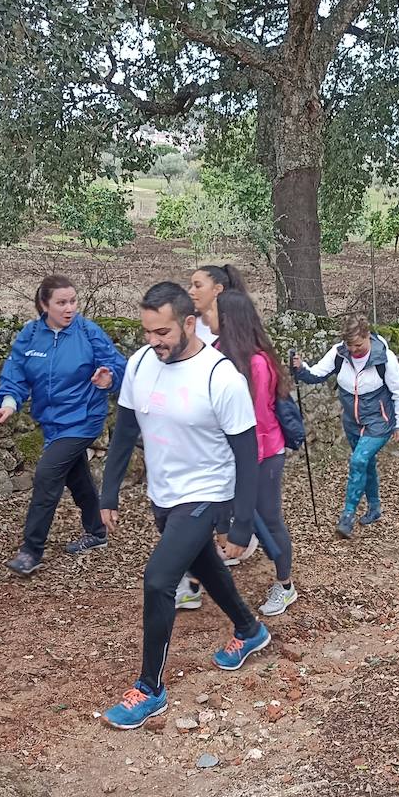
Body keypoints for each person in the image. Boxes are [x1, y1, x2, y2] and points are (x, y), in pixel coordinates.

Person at [96, 282, 270, 730]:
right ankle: (250, 630)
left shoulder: (220, 377)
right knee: (206, 566)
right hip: (164, 494)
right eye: (147, 332)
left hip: (207, 493)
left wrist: (242, 523)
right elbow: (124, 431)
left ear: (189, 323)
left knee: (159, 581)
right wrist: (109, 491)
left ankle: (150, 688)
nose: (154, 342)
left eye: (163, 333)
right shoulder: (140, 364)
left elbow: (248, 456)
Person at [0, 275, 127, 576]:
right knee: (77, 477)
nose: (69, 308)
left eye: (73, 301)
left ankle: (31, 551)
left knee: (48, 474)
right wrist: (9, 405)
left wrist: (109, 378)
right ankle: (96, 532)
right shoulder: (30, 335)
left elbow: (118, 365)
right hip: (51, 423)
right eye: (61, 302)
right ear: (44, 304)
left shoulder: (89, 333)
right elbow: (15, 374)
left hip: (83, 419)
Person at [212, 290, 299, 617]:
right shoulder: (218, 352)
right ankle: (239, 542)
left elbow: (254, 420)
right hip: (234, 454)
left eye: (212, 313)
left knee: (270, 518)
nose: (205, 319)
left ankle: (285, 585)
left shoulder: (258, 364)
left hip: (263, 454)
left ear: (227, 320)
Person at [293, 315, 399, 539]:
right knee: (366, 463)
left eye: (358, 345)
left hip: (379, 421)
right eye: (350, 345)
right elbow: (317, 374)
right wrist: (300, 368)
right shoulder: (339, 353)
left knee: (358, 460)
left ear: (367, 336)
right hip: (352, 421)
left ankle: (347, 516)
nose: (354, 350)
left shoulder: (384, 357)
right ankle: (374, 508)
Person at [188, 264, 246, 344]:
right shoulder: (186, 323)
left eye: (198, 286)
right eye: (190, 286)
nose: (190, 291)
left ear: (217, 289)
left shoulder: (238, 330)